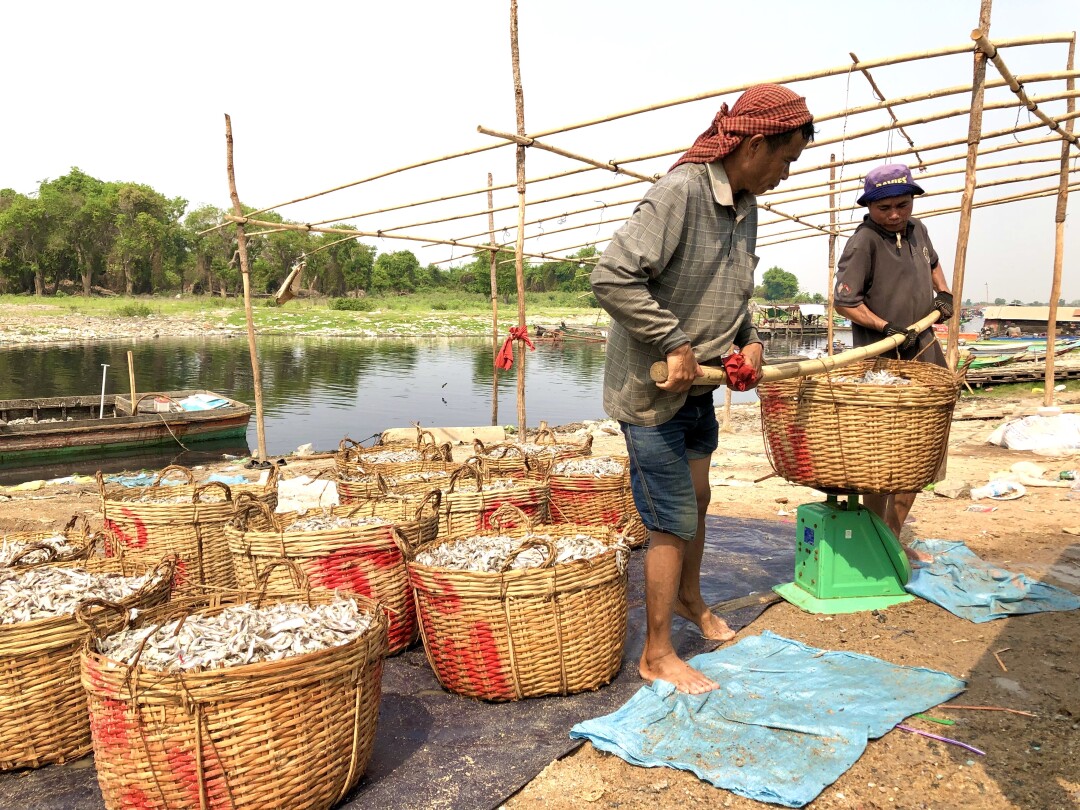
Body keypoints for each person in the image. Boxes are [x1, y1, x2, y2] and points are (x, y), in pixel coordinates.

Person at [591, 84, 814, 694]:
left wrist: (750, 341)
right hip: (652, 391)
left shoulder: (746, 205)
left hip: (700, 388)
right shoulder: (681, 192)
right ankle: (656, 652)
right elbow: (611, 278)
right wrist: (672, 341)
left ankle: (689, 598)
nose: (786, 174)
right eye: (786, 159)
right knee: (669, 517)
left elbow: (735, 290)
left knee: (700, 494)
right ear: (755, 143)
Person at [833, 163, 953, 550]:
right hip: (882, 364)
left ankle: (893, 537)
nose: (895, 215)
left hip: (925, 355)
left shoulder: (919, 231)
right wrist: (886, 328)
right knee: (882, 457)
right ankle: (874, 540)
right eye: (884, 209)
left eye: (902, 205)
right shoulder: (863, 242)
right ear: (869, 207)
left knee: (921, 454)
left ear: (912, 200)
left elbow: (932, 261)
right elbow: (845, 302)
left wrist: (944, 293)